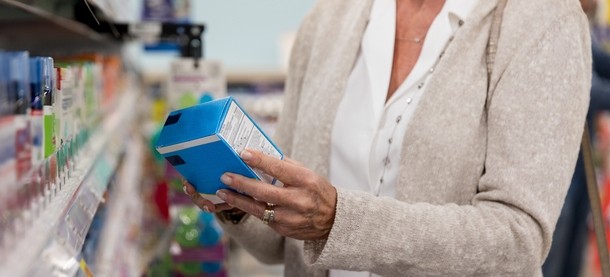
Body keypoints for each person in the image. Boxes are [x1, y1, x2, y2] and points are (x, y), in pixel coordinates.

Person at [184, 0, 592, 275]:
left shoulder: (541, 19)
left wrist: (338, 221)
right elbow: (281, 244)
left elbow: (519, 236)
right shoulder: (330, 19)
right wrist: (235, 199)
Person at [543, 0, 610, 275]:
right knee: (554, 251)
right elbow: (586, 87)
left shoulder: (576, 23)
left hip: (578, 162)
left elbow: (601, 63)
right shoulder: (548, 21)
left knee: (573, 248)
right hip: (553, 163)